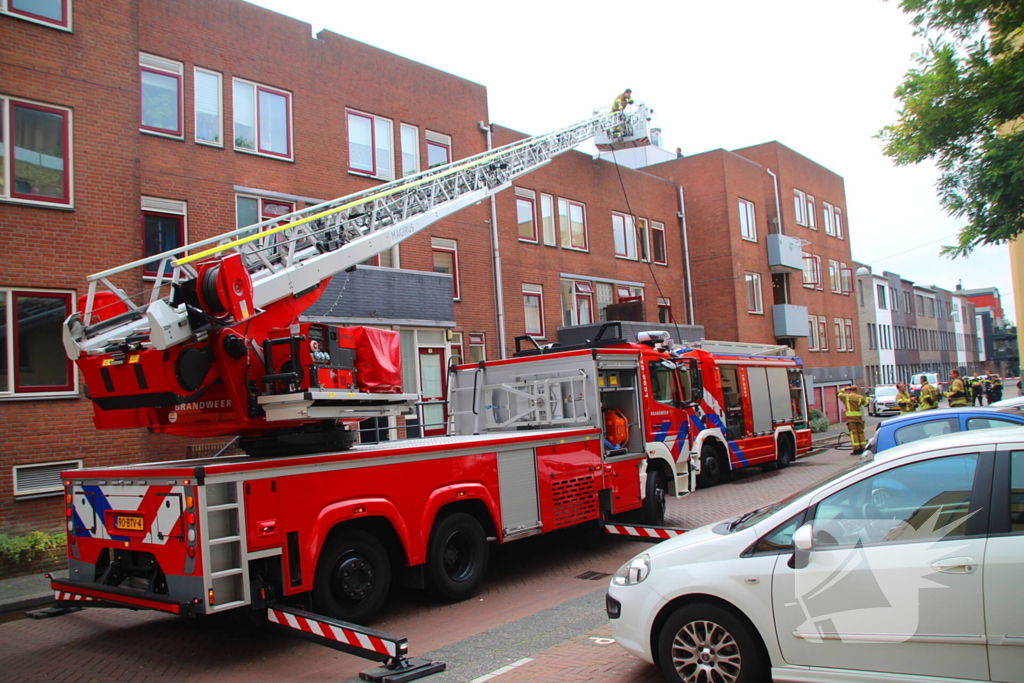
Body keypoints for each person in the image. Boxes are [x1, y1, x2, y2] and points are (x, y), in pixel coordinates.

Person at [840, 385, 870, 455]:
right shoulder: (860, 397)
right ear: (857, 390)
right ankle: (863, 447)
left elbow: (838, 394)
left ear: (850, 390)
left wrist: (845, 388)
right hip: (859, 418)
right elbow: (866, 404)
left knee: (854, 433)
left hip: (851, 419)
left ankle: (856, 449)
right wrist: (868, 397)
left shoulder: (846, 397)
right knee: (861, 432)